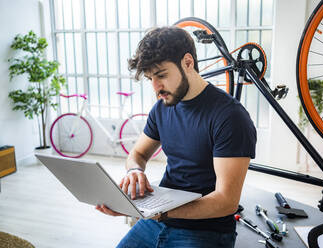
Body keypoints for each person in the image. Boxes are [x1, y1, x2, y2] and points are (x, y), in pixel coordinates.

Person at [96, 26, 257, 248]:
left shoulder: (230, 117)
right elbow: (138, 153)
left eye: (161, 75)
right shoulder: (162, 108)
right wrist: (134, 170)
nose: (156, 87)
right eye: (150, 78)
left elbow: (226, 201)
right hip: (157, 221)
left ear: (188, 63)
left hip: (206, 231)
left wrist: (160, 212)